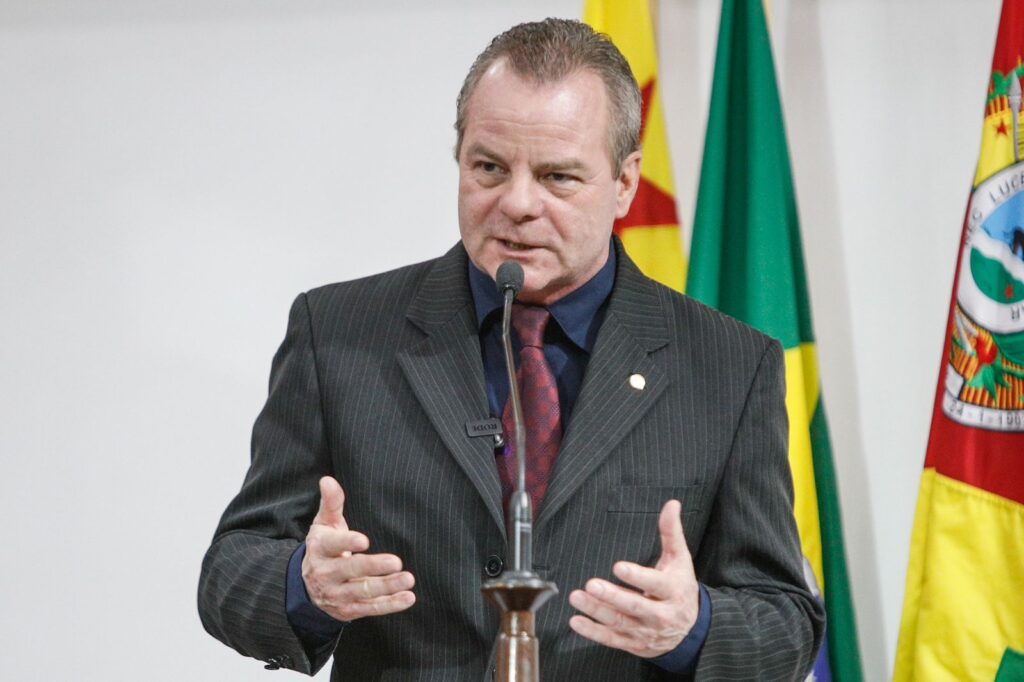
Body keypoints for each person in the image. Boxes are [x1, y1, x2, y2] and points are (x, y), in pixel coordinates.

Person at [198, 18, 824, 680]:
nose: (518, 203)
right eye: (490, 167)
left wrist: (691, 626)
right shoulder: (338, 333)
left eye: (558, 177)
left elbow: (786, 622)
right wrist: (304, 585)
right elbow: (231, 571)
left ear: (625, 182)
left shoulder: (729, 367)